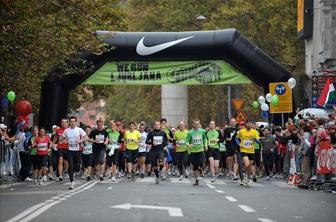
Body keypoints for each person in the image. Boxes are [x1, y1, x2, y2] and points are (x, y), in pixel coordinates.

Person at [63, 116, 87, 189]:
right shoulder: (66, 130)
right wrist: (64, 140)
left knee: (77, 165)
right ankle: (72, 182)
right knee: (70, 165)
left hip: (78, 150)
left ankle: (78, 168)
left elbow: (86, 137)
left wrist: (80, 141)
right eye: (71, 121)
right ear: (69, 122)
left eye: (73, 121)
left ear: (76, 122)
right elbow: (62, 139)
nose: (72, 123)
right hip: (70, 150)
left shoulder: (79, 130)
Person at [236, 120, 260, 186]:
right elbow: (236, 139)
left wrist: (255, 139)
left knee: (249, 166)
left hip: (251, 151)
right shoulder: (241, 131)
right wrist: (239, 144)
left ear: (252, 125)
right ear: (246, 124)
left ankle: (247, 178)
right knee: (247, 164)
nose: (249, 125)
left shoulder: (255, 132)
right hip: (244, 150)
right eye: (248, 123)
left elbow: (258, 142)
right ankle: (244, 174)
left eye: (250, 124)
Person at [186, 119, 207, 186]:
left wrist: (205, 145)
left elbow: (205, 139)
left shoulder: (202, 131)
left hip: (200, 150)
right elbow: (186, 141)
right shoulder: (190, 132)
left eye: (198, 124)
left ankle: (200, 170)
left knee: (201, 163)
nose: (197, 125)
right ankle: (196, 180)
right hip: (193, 151)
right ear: (193, 125)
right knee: (195, 167)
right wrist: (188, 145)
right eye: (195, 124)